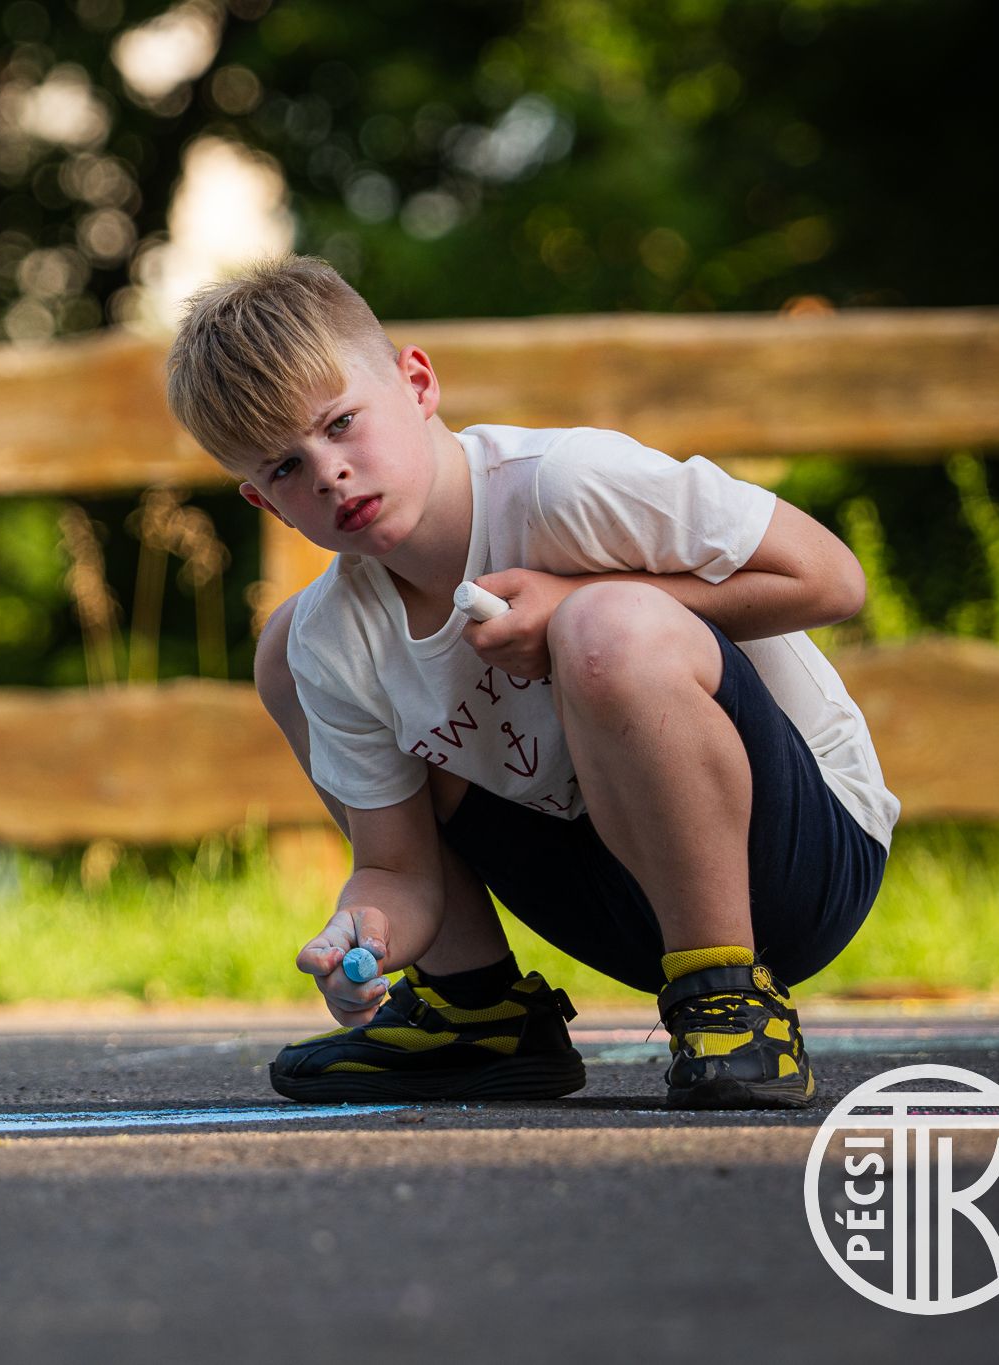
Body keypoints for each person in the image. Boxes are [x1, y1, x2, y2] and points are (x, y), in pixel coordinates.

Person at [164, 256, 898, 1109]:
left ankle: (730, 1000)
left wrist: (574, 602)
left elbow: (831, 579)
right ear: (264, 503)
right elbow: (398, 868)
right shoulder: (340, 636)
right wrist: (361, 931)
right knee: (286, 646)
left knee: (603, 627)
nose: (328, 471)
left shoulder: (563, 483)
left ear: (417, 382)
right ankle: (477, 1011)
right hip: (617, 897)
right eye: (286, 467)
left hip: (798, 856)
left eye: (341, 424)